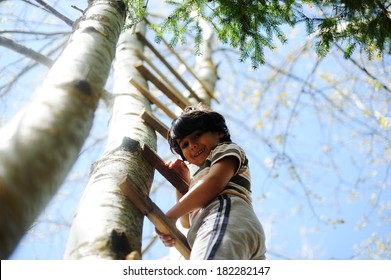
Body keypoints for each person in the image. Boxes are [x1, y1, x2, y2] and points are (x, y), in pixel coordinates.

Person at [157, 103, 266, 260]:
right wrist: (182, 182)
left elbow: (214, 183)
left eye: (197, 135)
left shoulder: (225, 149)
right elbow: (187, 222)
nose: (192, 145)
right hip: (231, 230)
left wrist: (170, 216)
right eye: (185, 144)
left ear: (219, 133)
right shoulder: (199, 178)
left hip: (225, 218)